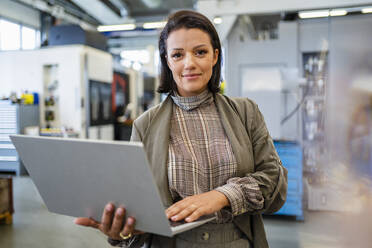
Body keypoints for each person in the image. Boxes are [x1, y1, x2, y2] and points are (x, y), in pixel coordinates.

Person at [75, 10, 287, 248]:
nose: (190, 63)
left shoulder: (246, 112)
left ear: (215, 56)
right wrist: (121, 232)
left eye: (200, 52)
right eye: (178, 55)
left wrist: (222, 196)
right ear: (167, 60)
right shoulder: (145, 125)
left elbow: (274, 182)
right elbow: (139, 206)